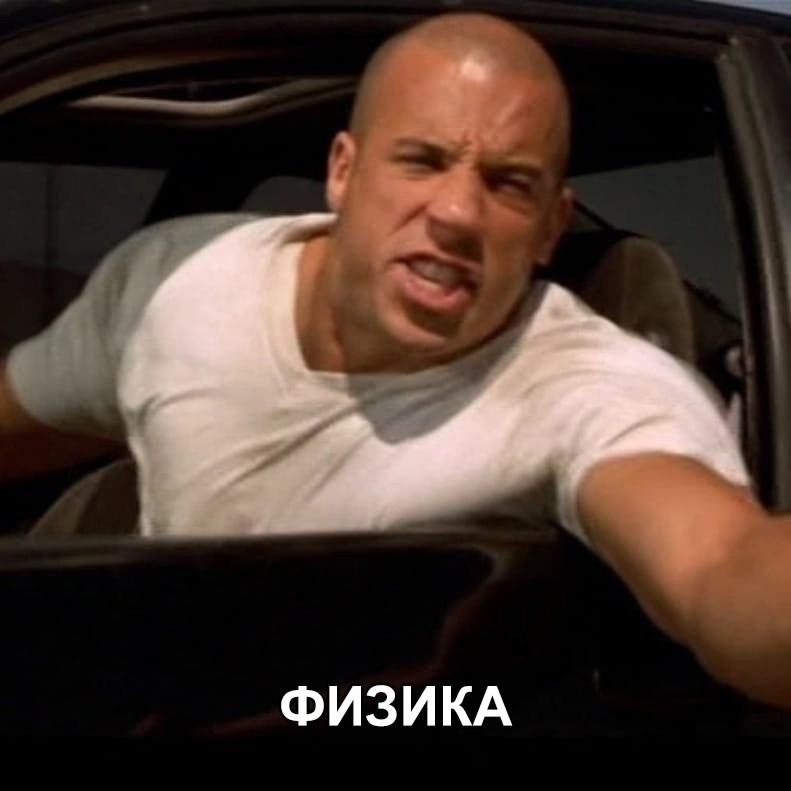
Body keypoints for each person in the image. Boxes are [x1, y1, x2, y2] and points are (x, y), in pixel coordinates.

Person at [1, 12, 790, 708]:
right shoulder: (176, 286)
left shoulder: (582, 388)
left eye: (509, 184)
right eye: (421, 160)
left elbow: (720, 565)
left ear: (551, 228)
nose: (456, 212)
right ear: (342, 171)